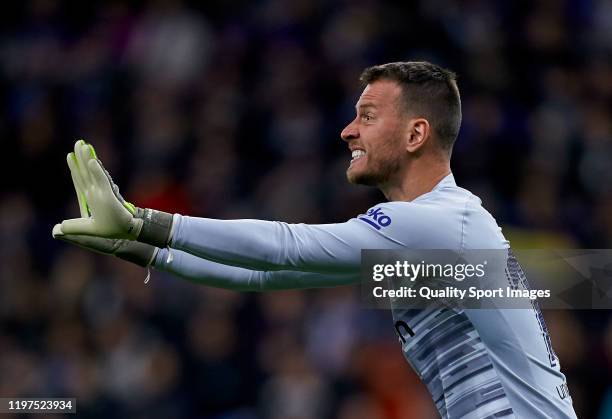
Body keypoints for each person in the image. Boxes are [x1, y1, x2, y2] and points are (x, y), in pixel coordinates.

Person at [53, 61, 577, 418]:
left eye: (367, 117)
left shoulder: (442, 223)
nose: (348, 131)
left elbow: (286, 246)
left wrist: (141, 220)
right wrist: (139, 249)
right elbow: (265, 275)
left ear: (416, 134)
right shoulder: (435, 242)